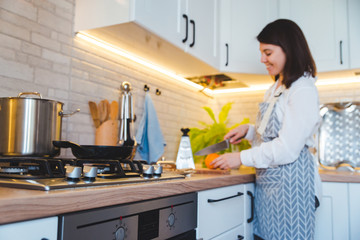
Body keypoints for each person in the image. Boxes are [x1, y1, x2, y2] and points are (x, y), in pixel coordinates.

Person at [211, 19, 322, 240]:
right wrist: (249, 131)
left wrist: (240, 158)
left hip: (293, 192)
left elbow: (287, 149)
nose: (263, 59)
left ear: (288, 49)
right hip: (270, 190)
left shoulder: (303, 90)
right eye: (262, 53)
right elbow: (273, 133)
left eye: (268, 52)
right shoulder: (276, 87)